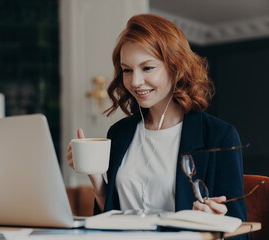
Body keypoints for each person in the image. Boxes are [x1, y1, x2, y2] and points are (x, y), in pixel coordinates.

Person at [66, 13, 247, 237]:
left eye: (148, 68)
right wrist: (96, 179)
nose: (135, 81)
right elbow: (113, 221)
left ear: (176, 67)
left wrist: (217, 223)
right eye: (127, 70)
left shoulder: (219, 135)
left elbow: (242, 233)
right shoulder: (120, 133)